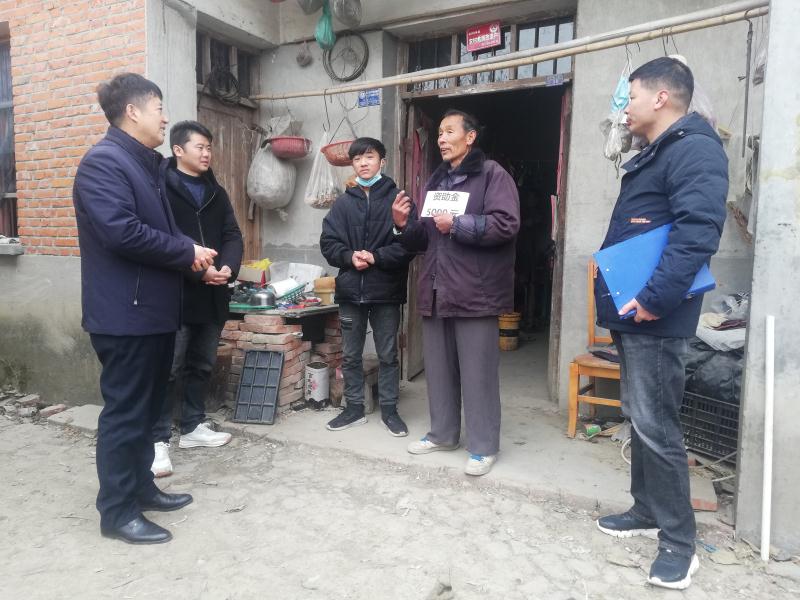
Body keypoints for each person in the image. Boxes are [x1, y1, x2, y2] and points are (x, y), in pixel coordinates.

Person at [592, 57, 728, 590]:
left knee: (657, 423)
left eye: (630, 96)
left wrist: (655, 297)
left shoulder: (695, 148)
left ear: (661, 98)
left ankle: (678, 542)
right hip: (636, 310)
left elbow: (699, 230)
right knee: (639, 415)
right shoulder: (658, 150)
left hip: (655, 311)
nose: (623, 107)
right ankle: (646, 509)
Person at [73, 73, 217, 544]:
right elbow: (122, 232)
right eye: (159, 108)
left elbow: (162, 234)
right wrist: (185, 251)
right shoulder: (104, 163)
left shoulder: (145, 165)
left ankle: (140, 488)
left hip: (152, 313)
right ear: (133, 112)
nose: (165, 118)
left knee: (149, 410)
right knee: (126, 415)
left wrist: (194, 259)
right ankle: (116, 513)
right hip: (125, 315)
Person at [392, 110, 520, 476]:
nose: (442, 139)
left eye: (449, 132)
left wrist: (459, 224)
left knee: (478, 373)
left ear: (470, 137)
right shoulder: (438, 181)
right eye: (439, 133)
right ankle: (443, 434)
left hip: (475, 291)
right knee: (439, 369)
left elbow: (507, 223)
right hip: (436, 289)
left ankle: (483, 446)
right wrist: (402, 225)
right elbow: (425, 237)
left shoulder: (492, 175)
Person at [150, 121, 243, 478]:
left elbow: (232, 234)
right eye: (199, 147)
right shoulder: (160, 188)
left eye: (209, 147)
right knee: (168, 368)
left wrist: (227, 268)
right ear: (178, 150)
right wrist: (198, 271)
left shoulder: (215, 191)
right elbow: (160, 239)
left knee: (202, 363)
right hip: (176, 291)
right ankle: (157, 439)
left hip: (213, 292)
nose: (206, 153)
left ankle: (192, 426)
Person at [320, 137, 414, 436]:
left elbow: (409, 245)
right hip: (351, 290)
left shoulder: (398, 200)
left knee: (388, 354)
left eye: (369, 157)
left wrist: (376, 257)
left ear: (382, 161)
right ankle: (354, 409)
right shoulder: (343, 203)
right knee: (350, 355)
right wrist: (349, 256)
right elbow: (328, 243)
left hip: (386, 291)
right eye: (357, 158)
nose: (363, 163)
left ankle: (390, 410)